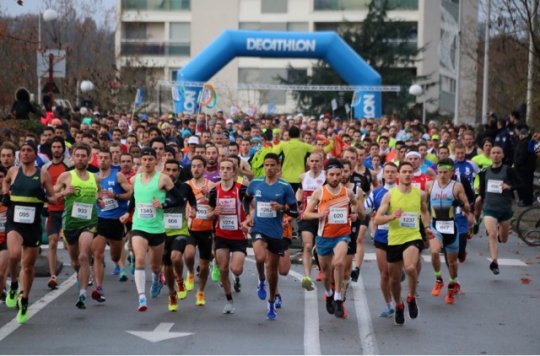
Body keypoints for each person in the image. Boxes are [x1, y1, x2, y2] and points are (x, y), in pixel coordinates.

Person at [119, 147, 179, 311]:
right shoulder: (135, 179)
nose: (147, 162)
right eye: (144, 159)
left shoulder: (163, 179)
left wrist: (163, 204)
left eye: (150, 159)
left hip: (157, 228)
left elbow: (178, 199)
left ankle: (156, 278)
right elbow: (134, 198)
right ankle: (141, 297)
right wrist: (127, 212)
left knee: (155, 266)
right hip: (139, 226)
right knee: (139, 259)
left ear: (156, 160)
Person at [2, 141, 56, 324]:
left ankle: (24, 300)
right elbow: (6, 181)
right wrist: (5, 194)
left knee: (28, 266)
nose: (25, 153)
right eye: (23, 150)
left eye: (29, 151)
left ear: (35, 154)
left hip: (32, 225)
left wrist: (45, 198)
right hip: (14, 223)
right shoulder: (13, 171)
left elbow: (54, 197)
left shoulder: (43, 174)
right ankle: (14, 285)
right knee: (14, 254)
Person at [374, 162, 431, 325]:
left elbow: (425, 212)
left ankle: (411, 297)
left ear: (413, 175)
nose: (407, 174)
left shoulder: (420, 194)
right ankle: (399, 305)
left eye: (410, 172)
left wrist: (426, 228)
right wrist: (391, 217)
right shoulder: (390, 195)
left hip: (412, 236)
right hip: (394, 239)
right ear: (399, 175)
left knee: (411, 267)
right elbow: (377, 219)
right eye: (404, 171)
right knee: (394, 279)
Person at [244, 153, 298, 320]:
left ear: (278, 167)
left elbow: (295, 211)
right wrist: (249, 215)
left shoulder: (285, 186)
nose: (269, 168)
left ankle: (272, 300)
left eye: (272, 165)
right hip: (258, 227)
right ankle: (261, 280)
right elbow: (246, 198)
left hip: (276, 232)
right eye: (266, 165)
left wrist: (282, 208)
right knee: (259, 257)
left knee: (273, 271)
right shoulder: (256, 183)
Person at [303, 159, 359, 319]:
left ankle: (338, 298)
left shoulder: (347, 192)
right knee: (326, 275)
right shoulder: (319, 192)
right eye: (332, 175)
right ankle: (329, 293)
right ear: (326, 175)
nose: (335, 177)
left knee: (339, 263)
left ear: (342, 174)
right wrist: (319, 215)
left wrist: (354, 214)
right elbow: (306, 214)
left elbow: (354, 204)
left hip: (342, 235)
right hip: (324, 237)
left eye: (338, 174)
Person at [55, 143, 103, 309]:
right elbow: (52, 195)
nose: (81, 158)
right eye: (78, 155)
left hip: (89, 223)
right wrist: (64, 192)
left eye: (84, 156)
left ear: (89, 158)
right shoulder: (66, 176)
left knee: (84, 257)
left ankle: (82, 294)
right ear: (73, 157)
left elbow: (99, 192)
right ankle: (79, 274)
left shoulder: (94, 178)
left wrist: (99, 200)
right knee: (75, 261)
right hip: (70, 224)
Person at [425, 159, 472, 304]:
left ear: (451, 172)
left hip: (451, 227)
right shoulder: (430, 185)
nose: (442, 175)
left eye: (445, 172)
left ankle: (451, 287)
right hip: (435, 225)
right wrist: (425, 223)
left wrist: (461, 204)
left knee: (452, 263)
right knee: (434, 251)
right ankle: (439, 279)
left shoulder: (457, 187)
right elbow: (423, 206)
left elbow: (468, 208)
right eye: (440, 172)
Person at [91, 148, 133, 303]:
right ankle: (99, 288)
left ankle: (119, 263)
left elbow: (131, 193)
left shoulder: (118, 175)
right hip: (100, 219)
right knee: (98, 254)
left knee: (115, 255)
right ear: (96, 159)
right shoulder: (93, 178)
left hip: (116, 220)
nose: (102, 160)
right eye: (100, 157)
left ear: (110, 160)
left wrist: (116, 195)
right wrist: (96, 198)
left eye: (106, 158)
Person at [208, 158, 248, 314]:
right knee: (224, 269)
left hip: (239, 236)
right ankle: (229, 300)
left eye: (228, 168)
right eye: (222, 168)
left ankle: (237, 278)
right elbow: (209, 215)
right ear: (219, 171)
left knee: (236, 269)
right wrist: (213, 213)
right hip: (221, 235)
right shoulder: (214, 191)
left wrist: (248, 220)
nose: (224, 171)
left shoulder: (242, 189)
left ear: (234, 171)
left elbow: (251, 208)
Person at [477, 146, 521, 275]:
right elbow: (482, 191)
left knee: (503, 239)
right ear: (490, 155)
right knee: (492, 234)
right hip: (490, 209)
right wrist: (479, 200)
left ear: (502, 155)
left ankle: (500, 236)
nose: (495, 155)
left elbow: (521, 184)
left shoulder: (509, 170)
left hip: (505, 210)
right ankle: (494, 262)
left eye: (498, 153)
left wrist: (510, 186)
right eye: (493, 153)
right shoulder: (485, 172)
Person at [161, 160, 197, 312]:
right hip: (161, 232)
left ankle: (180, 280)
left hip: (180, 231)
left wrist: (194, 209)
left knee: (176, 257)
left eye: (174, 170)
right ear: (164, 171)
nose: (171, 173)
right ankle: (171, 293)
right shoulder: (158, 188)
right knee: (167, 269)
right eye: (168, 170)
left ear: (179, 172)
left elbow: (192, 200)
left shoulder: (184, 187)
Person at [363, 162, 398, 317]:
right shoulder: (376, 193)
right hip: (382, 236)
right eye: (387, 172)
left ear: (397, 174)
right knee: (384, 274)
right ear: (383, 175)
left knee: (395, 274)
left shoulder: (403, 192)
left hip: (400, 236)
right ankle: (389, 304)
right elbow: (365, 209)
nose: (390, 174)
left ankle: (400, 301)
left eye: (393, 172)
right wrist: (367, 211)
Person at [186, 155, 216, 306]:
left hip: (206, 229)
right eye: (193, 166)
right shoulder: (186, 185)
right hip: (191, 228)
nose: (195, 169)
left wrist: (209, 196)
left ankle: (201, 292)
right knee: (189, 255)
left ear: (204, 168)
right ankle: (190, 272)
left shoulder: (212, 186)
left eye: (199, 166)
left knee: (204, 266)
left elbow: (217, 205)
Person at [43, 136, 72, 289]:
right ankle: (53, 276)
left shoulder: (69, 166)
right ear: (51, 149)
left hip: (68, 210)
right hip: (53, 210)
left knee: (69, 245)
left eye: (59, 147)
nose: (56, 150)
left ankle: (82, 270)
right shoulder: (45, 168)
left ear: (63, 149)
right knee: (52, 242)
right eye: (54, 147)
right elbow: (43, 191)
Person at [296, 152, 325, 290]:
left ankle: (321, 269)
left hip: (322, 217)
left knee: (321, 247)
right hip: (307, 215)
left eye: (316, 161)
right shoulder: (303, 177)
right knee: (307, 246)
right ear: (308, 162)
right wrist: (297, 203)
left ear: (321, 162)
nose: (314, 164)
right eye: (311, 161)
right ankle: (307, 276)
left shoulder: (326, 177)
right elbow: (300, 192)